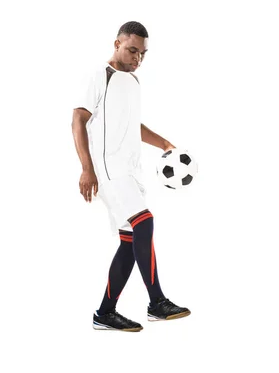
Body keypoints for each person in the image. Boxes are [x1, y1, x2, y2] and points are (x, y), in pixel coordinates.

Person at [71, 21, 190, 332]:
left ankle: (105, 313)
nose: (138, 57)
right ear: (117, 44)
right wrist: (87, 167)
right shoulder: (100, 76)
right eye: (132, 50)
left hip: (131, 171)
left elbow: (132, 125)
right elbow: (78, 120)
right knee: (144, 221)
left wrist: (164, 143)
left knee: (129, 242)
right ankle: (157, 303)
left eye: (143, 53)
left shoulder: (133, 82)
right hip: (108, 170)